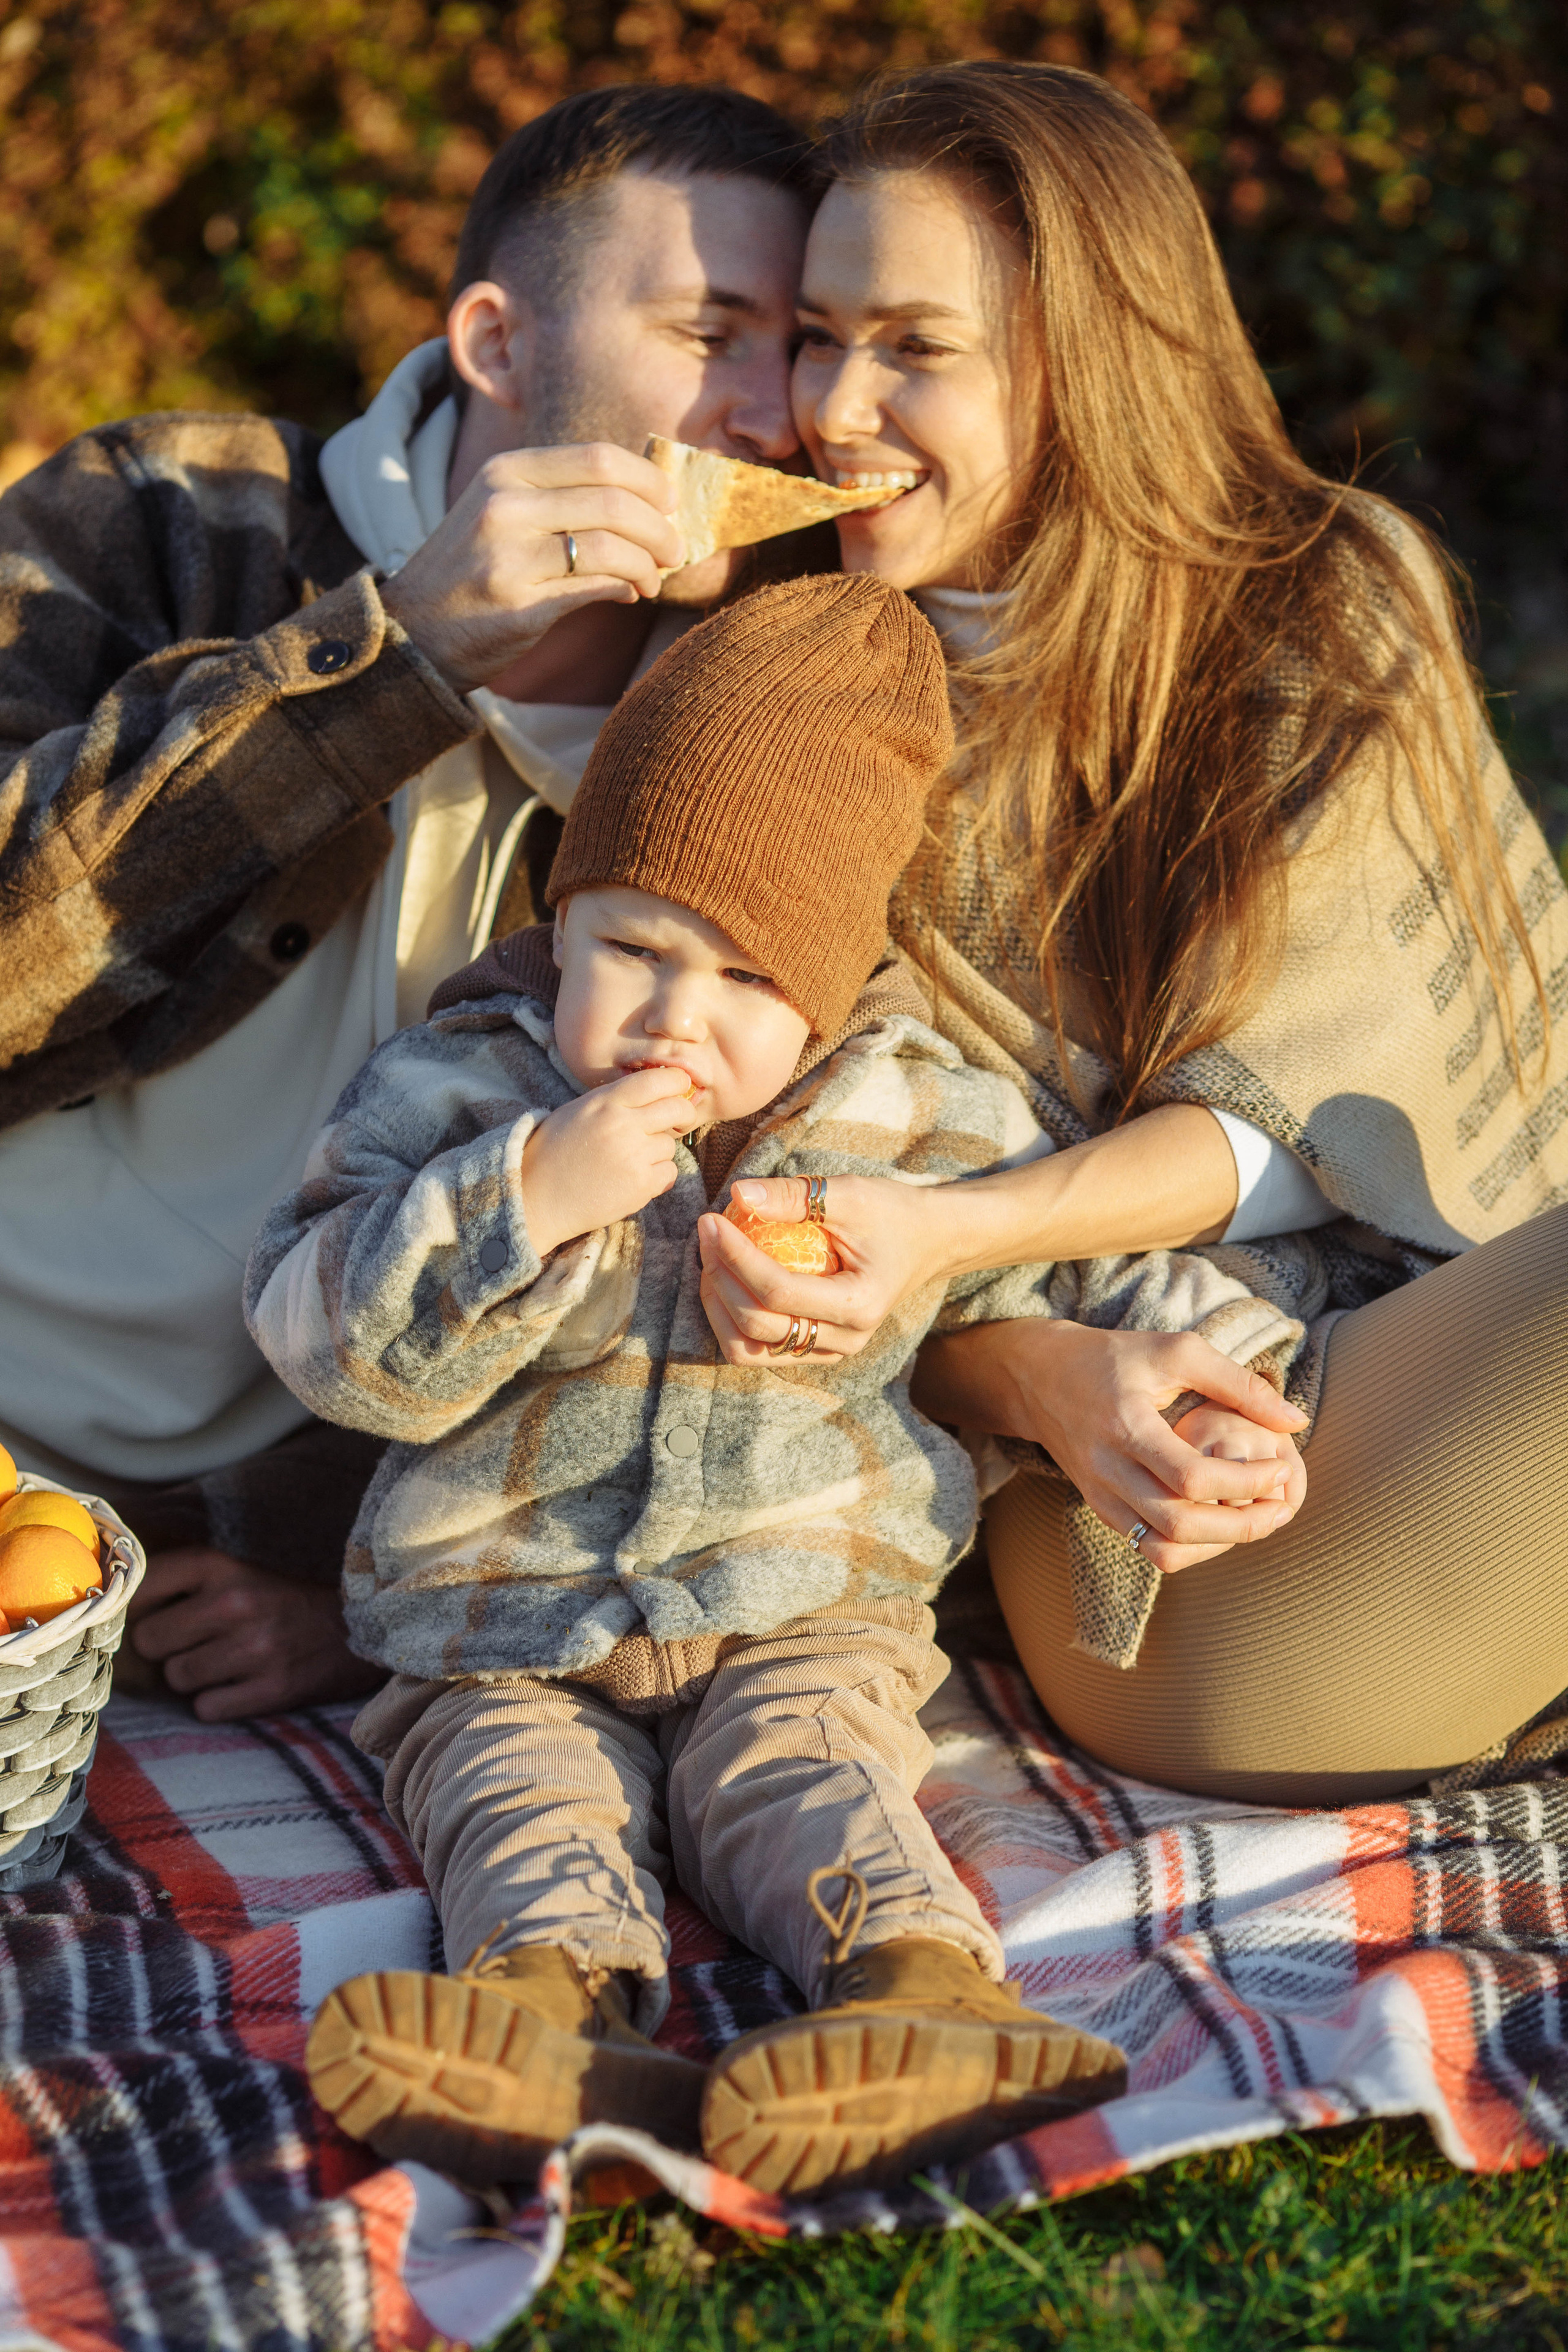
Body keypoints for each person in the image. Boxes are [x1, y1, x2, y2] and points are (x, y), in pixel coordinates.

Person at [694, 61, 1568, 1806]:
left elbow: (1308, 1125)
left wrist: (953, 1230)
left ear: (1085, 356)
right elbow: (765, 1234)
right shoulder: (786, 695)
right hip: (1145, 1545)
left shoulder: (1322, 594)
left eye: (914, 348)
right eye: (817, 336)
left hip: (1433, 1352)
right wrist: (1041, 1366)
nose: (834, 407)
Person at [241, 573, 1170, 2193]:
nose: (678, 1015)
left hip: (799, 1595)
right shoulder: (459, 1088)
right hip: (496, 1618)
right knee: (512, 1796)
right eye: (637, 947)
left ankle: (916, 1999)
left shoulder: (922, 1117)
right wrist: (521, 1194)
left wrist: (1170, 1372)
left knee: (805, 1776)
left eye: (749, 980)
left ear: (829, 981)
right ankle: (548, 2019)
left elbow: (1049, 1290)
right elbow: (314, 1333)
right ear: (561, 904)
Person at [0, 82, 817, 1719]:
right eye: (711, 331)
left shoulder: (760, 725)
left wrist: (355, 1586)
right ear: (496, 344)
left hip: (158, 1560)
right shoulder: (169, 518)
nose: (775, 412)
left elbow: (668, 1282)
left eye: (800, 349)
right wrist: (396, 655)